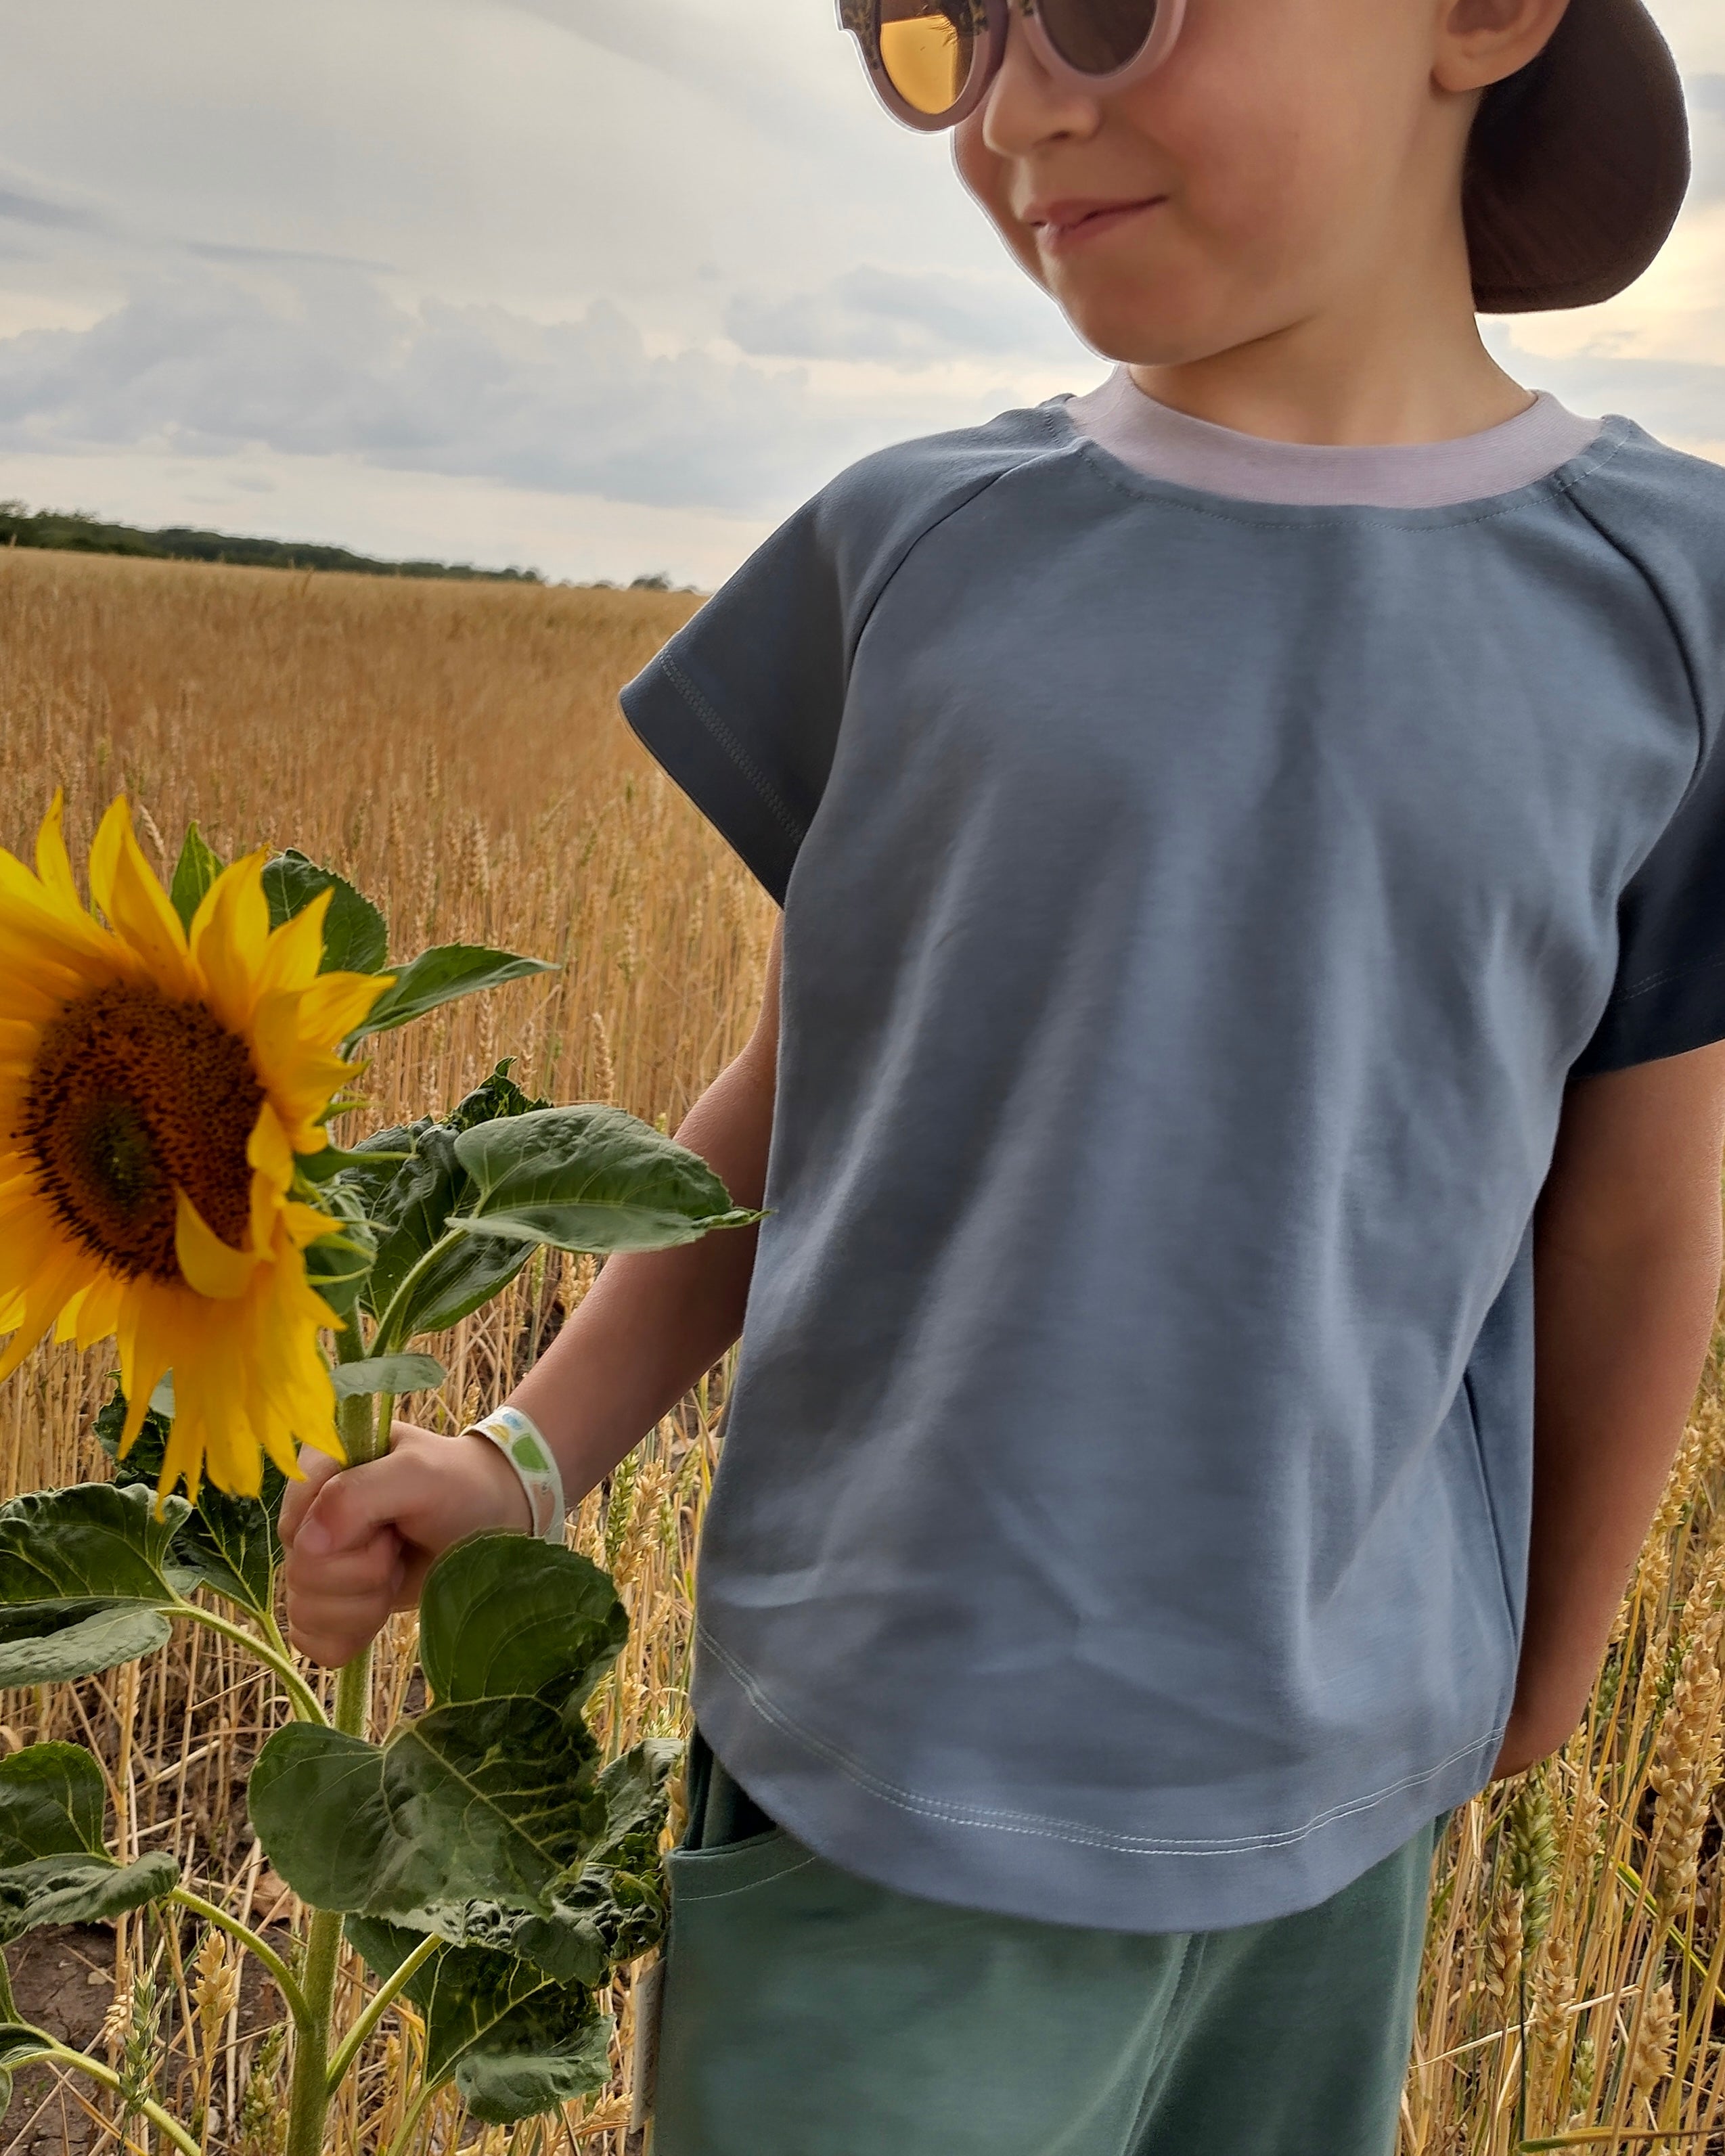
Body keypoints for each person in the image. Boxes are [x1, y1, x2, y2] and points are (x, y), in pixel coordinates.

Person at [281, 1, 1725, 2148]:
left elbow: (1635, 1211)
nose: (1018, 106)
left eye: (1113, 9)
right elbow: (785, 1114)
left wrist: (1534, 1681)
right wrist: (524, 1454)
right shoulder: (917, 552)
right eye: (936, 36)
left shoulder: (1674, 609)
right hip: (890, 1786)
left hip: (1344, 1817)